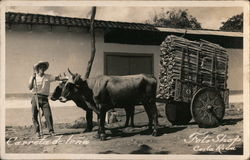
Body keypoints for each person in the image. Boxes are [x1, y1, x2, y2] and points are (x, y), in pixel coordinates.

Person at [28, 61, 60, 138]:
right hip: (35, 97)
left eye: (43, 67)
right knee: (34, 115)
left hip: (45, 98)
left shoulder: (48, 76)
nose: (42, 68)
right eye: (41, 67)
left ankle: (51, 131)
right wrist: (33, 78)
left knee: (48, 115)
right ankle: (37, 132)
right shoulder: (33, 77)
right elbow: (30, 87)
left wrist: (62, 78)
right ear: (38, 69)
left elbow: (56, 78)